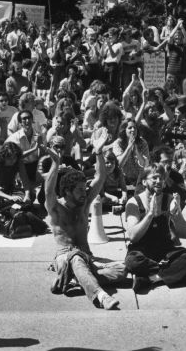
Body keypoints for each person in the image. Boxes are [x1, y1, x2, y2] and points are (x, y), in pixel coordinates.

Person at [45, 127, 127, 310]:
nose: (85, 193)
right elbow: (48, 191)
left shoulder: (84, 203)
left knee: (123, 269)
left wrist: (98, 152)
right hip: (65, 256)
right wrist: (54, 164)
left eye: (85, 189)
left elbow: (100, 177)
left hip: (88, 257)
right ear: (67, 191)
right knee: (75, 259)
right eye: (80, 190)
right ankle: (100, 295)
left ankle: (73, 280)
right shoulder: (56, 208)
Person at [125, 164, 186, 294]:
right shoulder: (134, 202)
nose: (158, 181)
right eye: (154, 178)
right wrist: (150, 214)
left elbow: (183, 232)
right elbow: (133, 237)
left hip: (165, 250)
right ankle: (173, 271)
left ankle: (152, 278)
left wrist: (176, 212)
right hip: (142, 251)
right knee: (132, 262)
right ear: (144, 182)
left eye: (161, 178)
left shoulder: (169, 199)